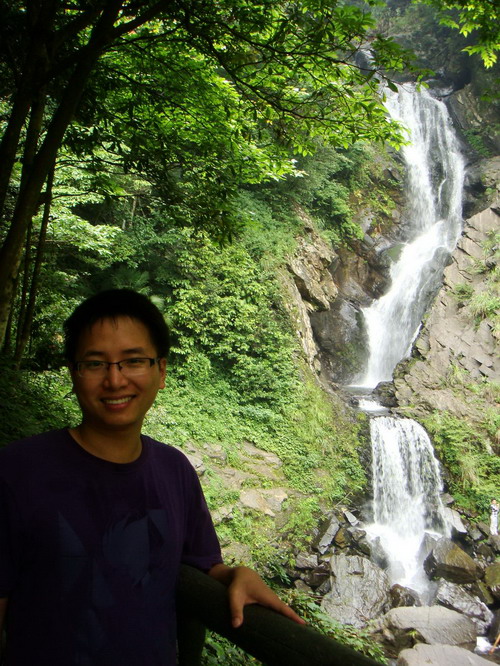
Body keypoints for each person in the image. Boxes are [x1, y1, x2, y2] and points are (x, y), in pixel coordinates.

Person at [0, 289, 303, 665]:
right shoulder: (17, 472)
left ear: (161, 371)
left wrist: (236, 574)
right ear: (74, 374)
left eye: (133, 361)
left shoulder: (175, 470)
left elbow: (203, 564)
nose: (115, 380)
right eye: (95, 363)